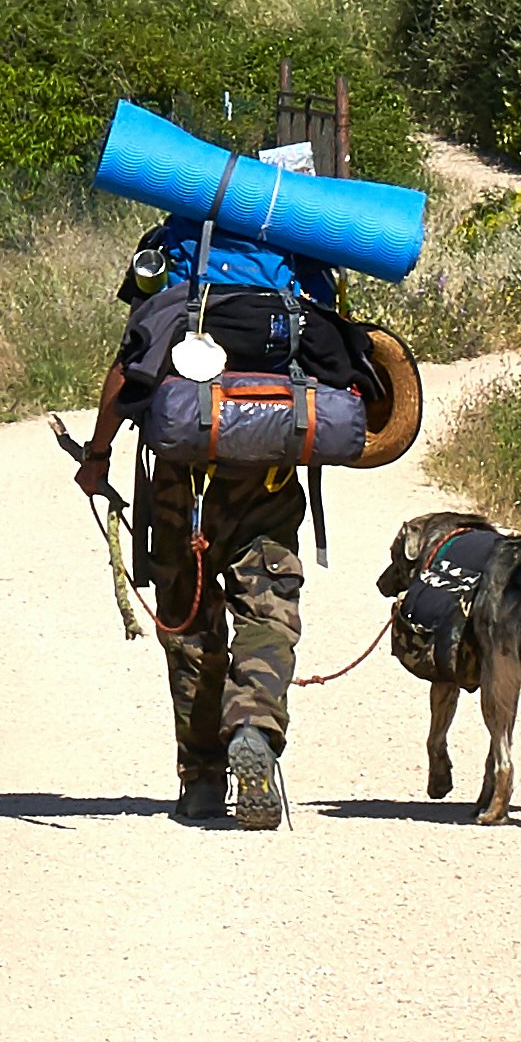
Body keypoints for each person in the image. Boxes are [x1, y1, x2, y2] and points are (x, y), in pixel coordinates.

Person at [68, 157, 391, 829]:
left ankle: (201, 781)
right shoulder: (304, 253)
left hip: (182, 477)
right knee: (266, 613)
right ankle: (254, 730)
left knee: (188, 622)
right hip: (270, 472)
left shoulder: (172, 243)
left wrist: (95, 459)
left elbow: (130, 364)